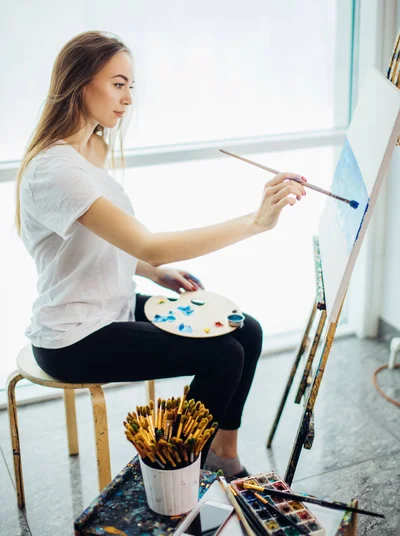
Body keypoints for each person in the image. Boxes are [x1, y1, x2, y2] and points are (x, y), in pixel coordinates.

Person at [16, 30, 306, 478]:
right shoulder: (55, 169)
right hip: (72, 336)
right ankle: (169, 475)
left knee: (245, 332)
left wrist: (153, 272)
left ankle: (221, 456)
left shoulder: (88, 149)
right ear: (79, 82)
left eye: (131, 85)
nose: (128, 98)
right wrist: (255, 222)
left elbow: (96, 242)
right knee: (222, 355)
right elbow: (146, 240)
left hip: (109, 307)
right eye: (118, 83)